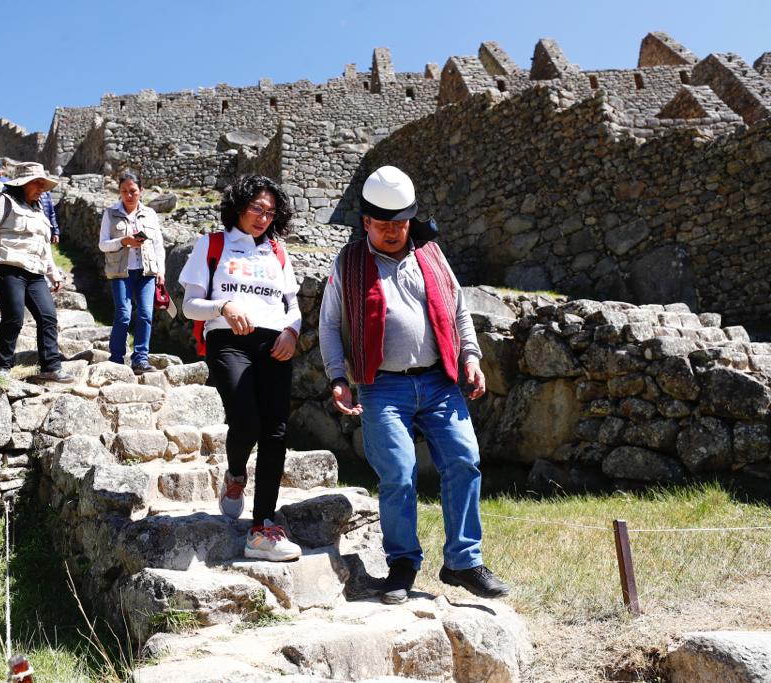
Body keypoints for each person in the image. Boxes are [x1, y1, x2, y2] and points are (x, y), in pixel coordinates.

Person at [319, 165, 510, 604]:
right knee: (398, 475)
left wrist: (471, 357)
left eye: (400, 223)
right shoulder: (348, 263)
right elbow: (329, 324)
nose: (393, 231)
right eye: (383, 224)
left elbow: (458, 310)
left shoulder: (432, 254)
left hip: (440, 381)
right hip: (382, 387)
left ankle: (463, 561)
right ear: (366, 221)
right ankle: (402, 565)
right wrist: (337, 377)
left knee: (464, 460)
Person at [179, 174, 302, 562]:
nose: (263, 218)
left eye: (270, 212)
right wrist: (223, 306)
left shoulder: (277, 251)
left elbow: (293, 306)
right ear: (238, 206)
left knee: (276, 432)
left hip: (275, 344)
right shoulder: (213, 244)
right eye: (256, 208)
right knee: (247, 421)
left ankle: (263, 527)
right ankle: (235, 475)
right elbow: (189, 306)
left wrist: (292, 332)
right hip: (228, 340)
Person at [0, 162, 72, 383]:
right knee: (14, 317)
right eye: (37, 183)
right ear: (23, 184)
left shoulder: (39, 211)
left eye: (43, 185)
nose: (41, 189)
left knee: (48, 316)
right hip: (7, 267)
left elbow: (44, 246)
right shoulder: (4, 201)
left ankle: (51, 367)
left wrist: (53, 273)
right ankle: (1, 367)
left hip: (35, 272)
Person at [98, 171, 165, 373]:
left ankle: (140, 360)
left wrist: (161, 271)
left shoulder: (150, 214)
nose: (128, 195)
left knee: (145, 314)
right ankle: (116, 359)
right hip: (121, 272)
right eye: (124, 191)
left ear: (141, 191)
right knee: (123, 315)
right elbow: (103, 245)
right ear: (119, 192)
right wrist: (123, 241)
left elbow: (158, 245)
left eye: (133, 191)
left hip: (146, 272)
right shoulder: (110, 213)